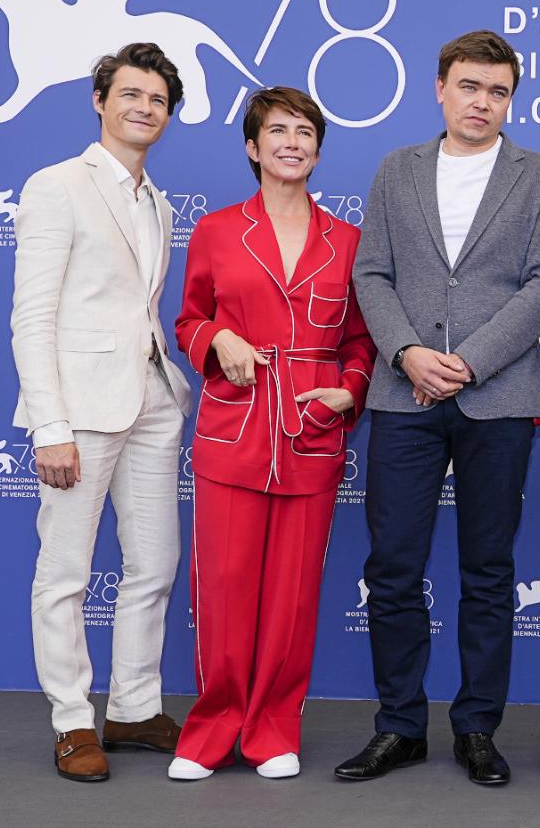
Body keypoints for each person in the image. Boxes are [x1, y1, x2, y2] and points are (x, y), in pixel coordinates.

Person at [337, 30, 540, 787]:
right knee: (393, 567)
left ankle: (476, 728)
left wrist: (468, 363)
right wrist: (406, 353)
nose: (482, 102)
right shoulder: (396, 169)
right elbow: (372, 273)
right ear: (440, 88)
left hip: (498, 398)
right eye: (470, 86)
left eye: (498, 91)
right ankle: (399, 726)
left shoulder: (538, 176)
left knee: (488, 571)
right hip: (403, 396)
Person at [168, 87, 376, 780]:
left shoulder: (347, 241)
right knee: (224, 588)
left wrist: (348, 390)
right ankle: (211, 730)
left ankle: (272, 730)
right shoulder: (216, 230)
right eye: (278, 130)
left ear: (318, 150)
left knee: (292, 596)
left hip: (310, 433)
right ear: (253, 147)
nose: (292, 142)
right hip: (235, 427)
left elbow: (361, 342)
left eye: (305, 132)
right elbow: (188, 320)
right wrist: (217, 338)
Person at [10, 42, 193, 782]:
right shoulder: (57, 185)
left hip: (151, 400)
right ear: (100, 100)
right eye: (131, 94)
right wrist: (50, 426)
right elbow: (32, 316)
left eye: (158, 100)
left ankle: (133, 707)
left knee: (155, 562)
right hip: (80, 409)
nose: (144, 108)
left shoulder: (159, 202)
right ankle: (71, 721)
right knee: (65, 570)